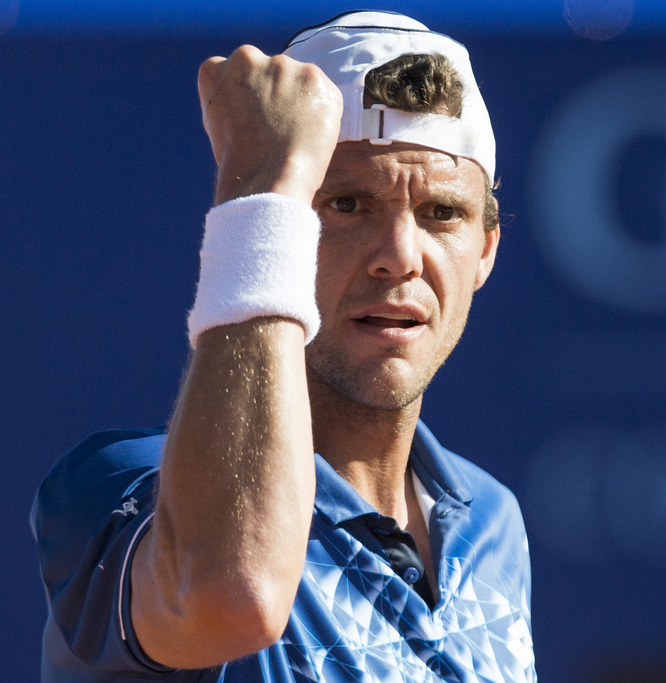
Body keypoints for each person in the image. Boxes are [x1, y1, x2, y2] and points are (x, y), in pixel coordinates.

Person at [31, 10, 535, 682]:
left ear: (486, 251)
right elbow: (231, 591)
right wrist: (265, 192)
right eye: (348, 204)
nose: (399, 257)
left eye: (442, 213)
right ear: (281, 232)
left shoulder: (491, 518)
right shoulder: (123, 485)